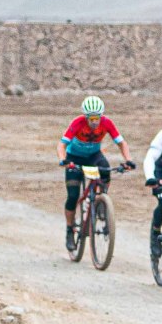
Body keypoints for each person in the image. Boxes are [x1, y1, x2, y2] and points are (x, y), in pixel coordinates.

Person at [57, 95, 137, 246]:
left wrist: (128, 160)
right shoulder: (77, 123)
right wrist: (63, 159)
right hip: (74, 158)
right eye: (91, 118)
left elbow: (121, 143)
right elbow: (62, 144)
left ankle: (101, 199)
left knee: (106, 170)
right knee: (73, 196)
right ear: (86, 117)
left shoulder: (107, 123)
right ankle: (69, 229)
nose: (95, 122)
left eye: (97, 118)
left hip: (94, 156)